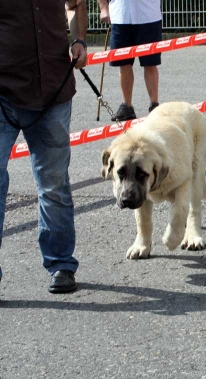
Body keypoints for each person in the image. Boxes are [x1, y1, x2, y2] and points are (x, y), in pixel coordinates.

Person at [0, 0, 88, 293]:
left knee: (53, 184)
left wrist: (79, 41)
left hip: (53, 89)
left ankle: (61, 263)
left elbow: (75, 5)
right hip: (4, 95)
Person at [97, 0, 162, 121]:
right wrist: (103, 8)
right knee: (123, 64)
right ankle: (127, 106)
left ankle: (154, 106)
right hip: (121, 15)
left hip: (148, 15)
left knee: (150, 63)